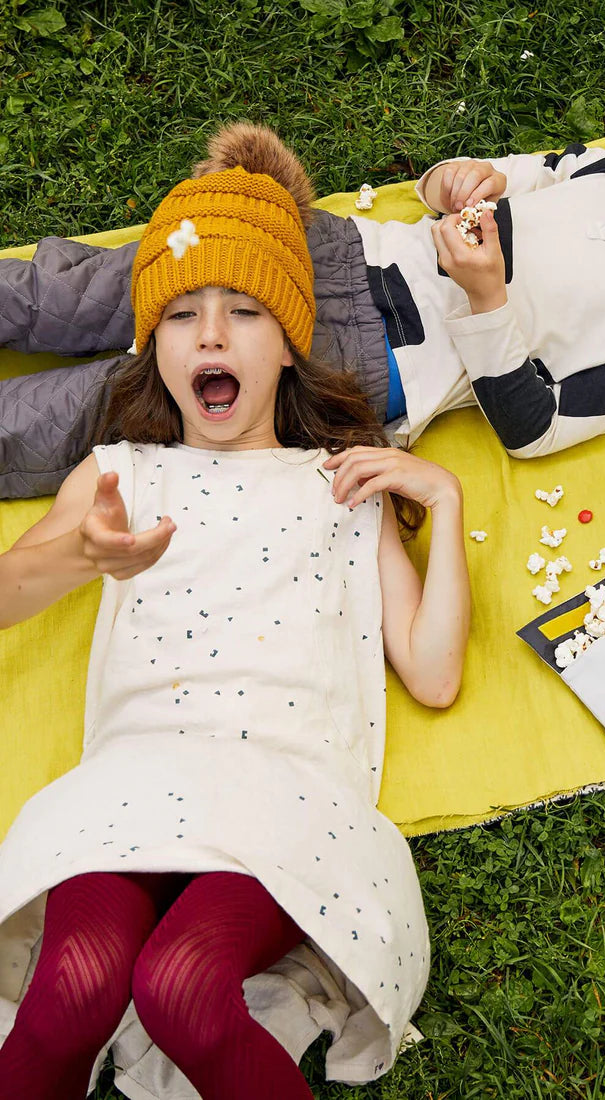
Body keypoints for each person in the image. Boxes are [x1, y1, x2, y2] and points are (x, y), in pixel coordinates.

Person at [0, 159, 471, 1098]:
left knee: (184, 985)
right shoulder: (120, 472)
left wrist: (446, 502)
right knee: (73, 990)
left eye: (245, 311)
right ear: (154, 349)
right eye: (183, 315)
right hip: (131, 779)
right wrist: (79, 558)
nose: (211, 333)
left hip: (284, 787)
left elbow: (433, 672)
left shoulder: (343, 477)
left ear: (290, 345)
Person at [0, 123, 605, 498]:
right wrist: (455, 181)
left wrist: (488, 297)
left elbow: (534, 429)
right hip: (342, 250)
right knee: (93, 287)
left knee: (106, 407)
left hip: (362, 362)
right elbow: (477, 182)